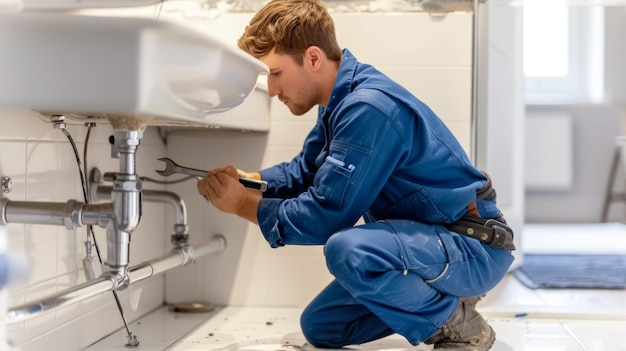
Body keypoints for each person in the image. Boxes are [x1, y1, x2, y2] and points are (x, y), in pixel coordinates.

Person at [197, 0, 515, 349]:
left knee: (347, 249)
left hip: (472, 247)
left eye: (275, 73)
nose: (272, 90)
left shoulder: (368, 107)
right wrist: (247, 179)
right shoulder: (338, 102)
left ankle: (461, 325)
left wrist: (244, 205)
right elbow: (305, 171)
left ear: (313, 58)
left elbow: (326, 215)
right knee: (322, 327)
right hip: (432, 244)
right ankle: (443, 298)